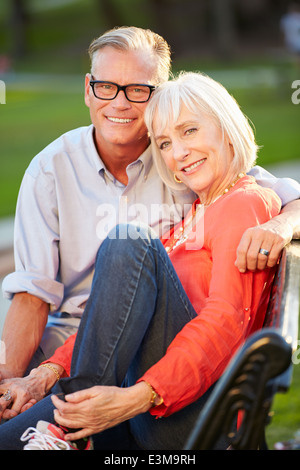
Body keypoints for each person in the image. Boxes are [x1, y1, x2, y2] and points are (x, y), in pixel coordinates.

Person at [0, 71, 288, 450]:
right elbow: (110, 321)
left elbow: (225, 321)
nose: (178, 153)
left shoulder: (245, 203)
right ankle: (67, 426)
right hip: (142, 407)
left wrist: (139, 396)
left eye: (190, 132)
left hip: (194, 420)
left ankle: (66, 430)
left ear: (226, 127)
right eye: (165, 143)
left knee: (128, 241)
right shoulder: (192, 217)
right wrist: (42, 375)